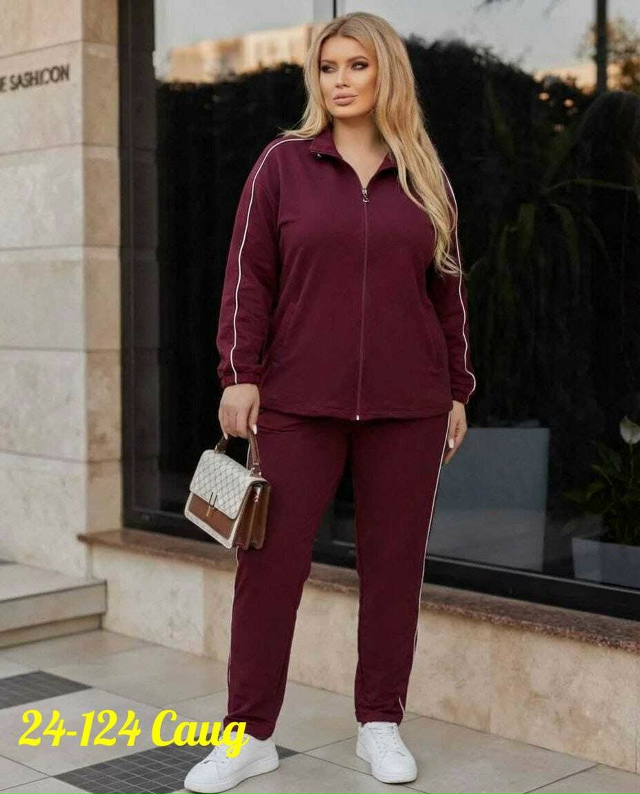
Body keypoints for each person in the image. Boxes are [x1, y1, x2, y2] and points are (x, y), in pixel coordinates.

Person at [184, 10, 476, 793]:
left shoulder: (423, 175)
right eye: (328, 67)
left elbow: (448, 296)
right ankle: (247, 736)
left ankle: (379, 724)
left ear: (387, 74)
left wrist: (457, 388)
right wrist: (239, 372)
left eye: (357, 65)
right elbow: (248, 276)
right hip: (296, 404)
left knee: (393, 571)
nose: (340, 81)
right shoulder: (282, 165)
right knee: (268, 569)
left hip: (409, 406)